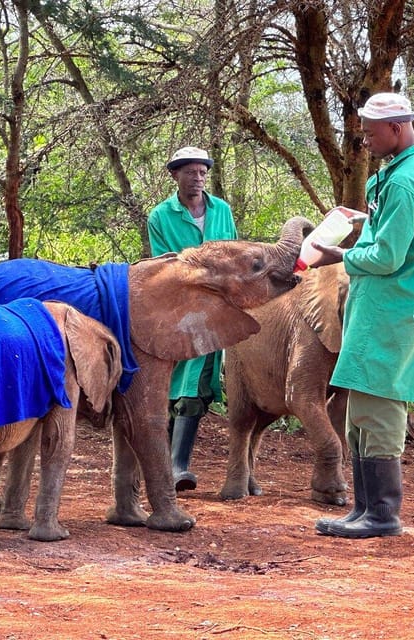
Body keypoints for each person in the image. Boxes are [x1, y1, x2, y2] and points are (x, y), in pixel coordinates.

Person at [311, 92, 414, 538]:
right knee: (361, 410)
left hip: (389, 305)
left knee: (378, 408)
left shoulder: (407, 180)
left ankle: (383, 514)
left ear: (396, 128)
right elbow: (401, 231)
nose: (366, 142)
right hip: (399, 303)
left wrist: (338, 254)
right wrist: (366, 220)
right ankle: (364, 508)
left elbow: (389, 256)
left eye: (371, 134)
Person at [147, 146, 237, 491]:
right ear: (175, 175)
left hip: (218, 305)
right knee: (181, 380)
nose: (197, 179)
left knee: (200, 381)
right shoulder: (161, 216)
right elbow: (167, 262)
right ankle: (172, 465)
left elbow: (231, 251)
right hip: (180, 304)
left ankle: (172, 465)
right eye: (190, 172)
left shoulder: (221, 210)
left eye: (202, 173)